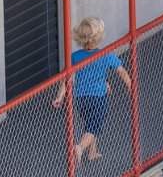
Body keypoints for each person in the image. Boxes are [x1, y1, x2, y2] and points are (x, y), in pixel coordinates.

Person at [52, 17, 132, 163]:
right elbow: (122, 72)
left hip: (80, 98)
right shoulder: (105, 55)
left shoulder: (75, 56)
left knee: (90, 123)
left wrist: (60, 97)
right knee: (94, 127)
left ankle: (92, 152)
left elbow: (67, 78)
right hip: (98, 99)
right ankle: (80, 147)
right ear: (99, 37)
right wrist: (129, 85)